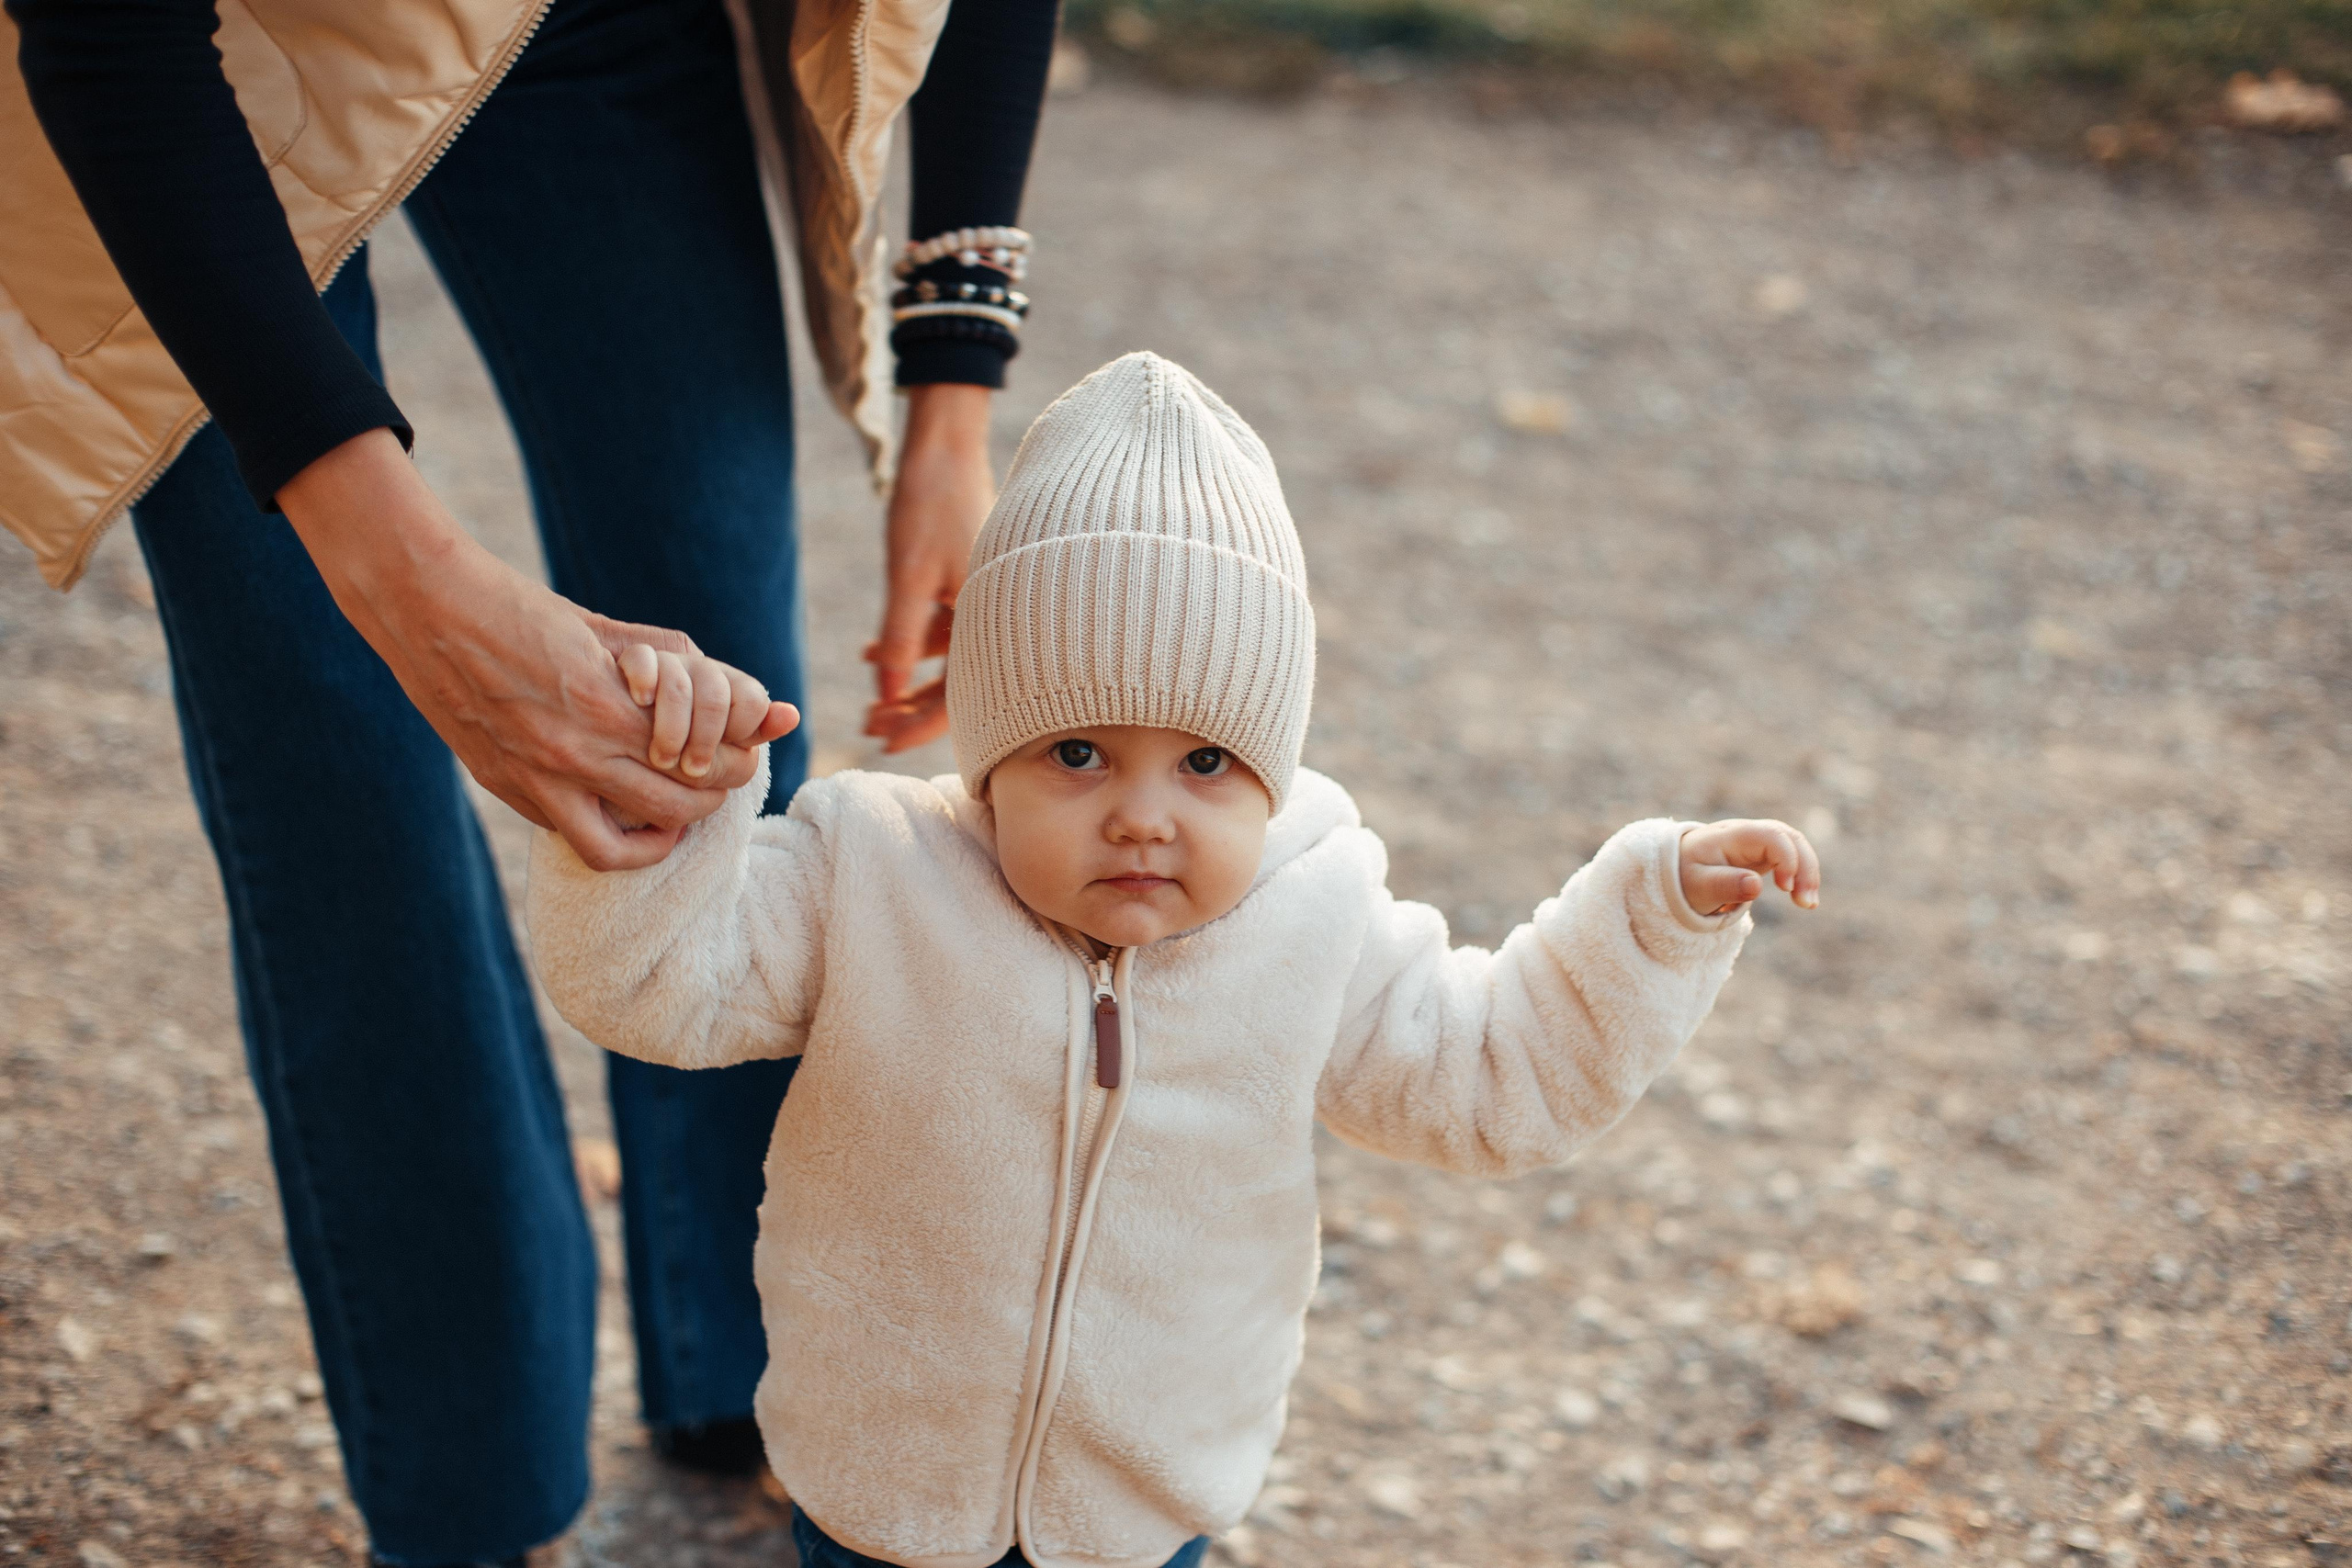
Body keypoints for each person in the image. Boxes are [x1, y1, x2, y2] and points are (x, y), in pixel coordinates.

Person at [3, 0, 1059, 1562]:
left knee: (720, 690)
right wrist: (400, 581)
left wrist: (953, 394)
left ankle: (772, 1377)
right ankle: (472, 1492)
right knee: (329, 745)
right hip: (191, 56)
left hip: (596, 25)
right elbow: (110, 43)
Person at [526, 352, 1824, 1568]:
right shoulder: (869, 877)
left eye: (1206, 764)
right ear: (988, 757)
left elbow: (1495, 1080)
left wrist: (1653, 913)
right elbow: (649, 986)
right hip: (880, 1495)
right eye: (1077, 754)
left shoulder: (1318, 921)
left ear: (1271, 771)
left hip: (1141, 1512)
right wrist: (664, 813)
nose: (1143, 814)